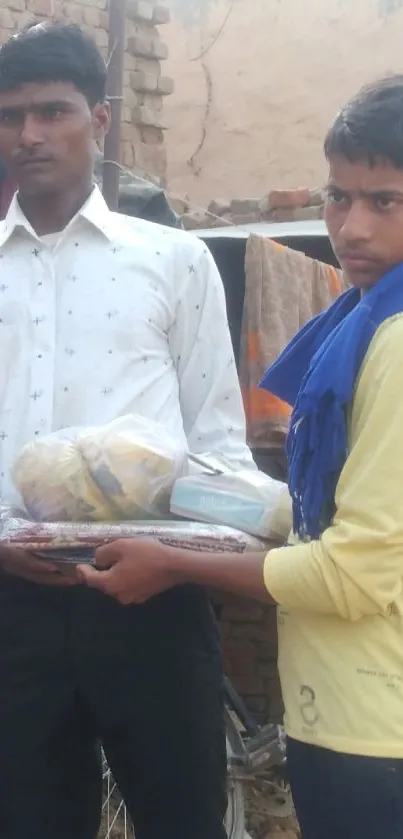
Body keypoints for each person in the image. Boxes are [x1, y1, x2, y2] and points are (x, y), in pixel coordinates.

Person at [80, 76, 403, 839]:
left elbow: (353, 570)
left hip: (376, 726)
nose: (349, 226)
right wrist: (194, 500)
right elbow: (340, 512)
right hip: (344, 705)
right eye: (336, 195)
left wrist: (177, 562)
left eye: (383, 201)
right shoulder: (360, 316)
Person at [0, 22, 257, 839]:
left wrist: (180, 555)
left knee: (182, 818)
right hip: (11, 606)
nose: (29, 134)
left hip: (151, 597)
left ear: (99, 119)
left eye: (53, 111)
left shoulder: (174, 262)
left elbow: (219, 450)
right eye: (10, 116)